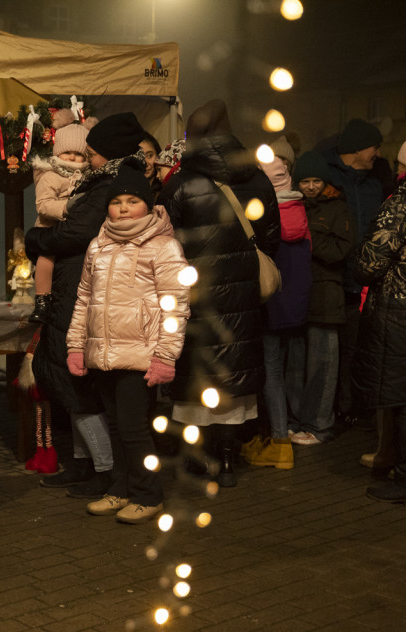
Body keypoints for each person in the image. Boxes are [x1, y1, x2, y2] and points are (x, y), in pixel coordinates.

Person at [158, 99, 280, 487]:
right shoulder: (257, 178)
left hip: (195, 293)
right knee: (234, 372)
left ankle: (203, 457)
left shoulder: (179, 183)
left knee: (197, 373)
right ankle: (228, 460)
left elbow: (165, 243)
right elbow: (271, 238)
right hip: (243, 294)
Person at [24, 112, 148, 496]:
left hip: (83, 291)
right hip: (74, 288)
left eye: (92, 153)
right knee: (69, 381)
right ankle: (87, 464)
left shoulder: (111, 182)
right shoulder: (103, 181)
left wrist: (37, 240)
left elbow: (77, 232)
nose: (88, 160)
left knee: (76, 384)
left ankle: (105, 470)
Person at [66, 159, 190, 523]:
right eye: (116, 201)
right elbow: (84, 300)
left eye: (131, 201)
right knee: (116, 426)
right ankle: (120, 489)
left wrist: (165, 357)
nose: (122, 208)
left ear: (147, 205)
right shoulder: (98, 246)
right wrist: (77, 346)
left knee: (135, 428)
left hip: (141, 353)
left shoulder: (164, 247)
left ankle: (148, 495)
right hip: (103, 352)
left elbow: (176, 305)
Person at [316, 119, 388, 428]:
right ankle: (336, 408)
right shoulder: (328, 181)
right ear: (358, 148)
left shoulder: (373, 185)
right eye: (374, 145)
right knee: (334, 353)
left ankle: (357, 406)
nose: (378, 152)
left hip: (366, 284)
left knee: (361, 348)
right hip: (333, 281)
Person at [244, 154, 311, 467]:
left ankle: (280, 441)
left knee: (269, 374)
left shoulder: (264, 214)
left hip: (271, 306)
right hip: (296, 307)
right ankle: (286, 430)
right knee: (288, 371)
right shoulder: (300, 210)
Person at [284, 151, 354, 446]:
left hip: (326, 294)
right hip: (299, 295)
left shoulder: (338, 208)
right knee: (296, 364)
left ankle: (319, 425)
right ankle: (297, 420)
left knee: (323, 366)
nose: (311, 186)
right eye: (306, 181)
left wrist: (307, 233)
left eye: (316, 181)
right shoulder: (293, 205)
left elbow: (340, 251)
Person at [351, 172, 406, 502]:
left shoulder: (400, 203)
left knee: (401, 398)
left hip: (399, 312)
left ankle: (403, 477)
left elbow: (370, 262)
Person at [29, 122, 90, 324]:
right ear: (57, 152)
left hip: (74, 230)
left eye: (78, 153)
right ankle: (42, 298)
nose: (72, 157)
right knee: (46, 259)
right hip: (50, 227)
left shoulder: (87, 176)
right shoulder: (49, 176)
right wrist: (67, 208)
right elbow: (43, 205)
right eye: (67, 152)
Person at [140, 132, 163, 201]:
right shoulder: (125, 190)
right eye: (140, 158)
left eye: (150, 156)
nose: (146, 163)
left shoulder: (167, 189)